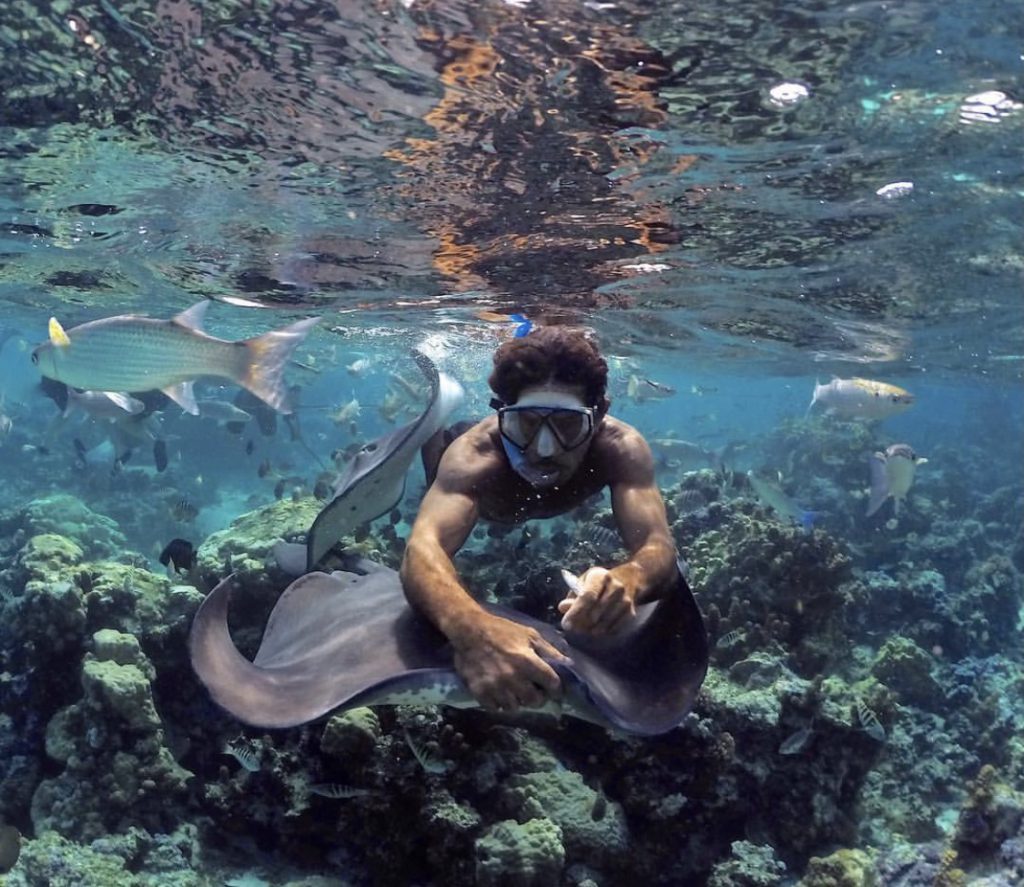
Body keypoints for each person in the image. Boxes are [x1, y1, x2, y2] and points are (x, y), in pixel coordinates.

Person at [399, 326, 678, 714]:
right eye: (525, 423)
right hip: (473, 488)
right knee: (440, 465)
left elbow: (658, 546)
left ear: (599, 415)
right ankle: (434, 422)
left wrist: (629, 581)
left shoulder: (621, 449)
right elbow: (422, 549)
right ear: (500, 414)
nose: (544, 449)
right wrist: (470, 630)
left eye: (567, 425)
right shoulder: (473, 456)